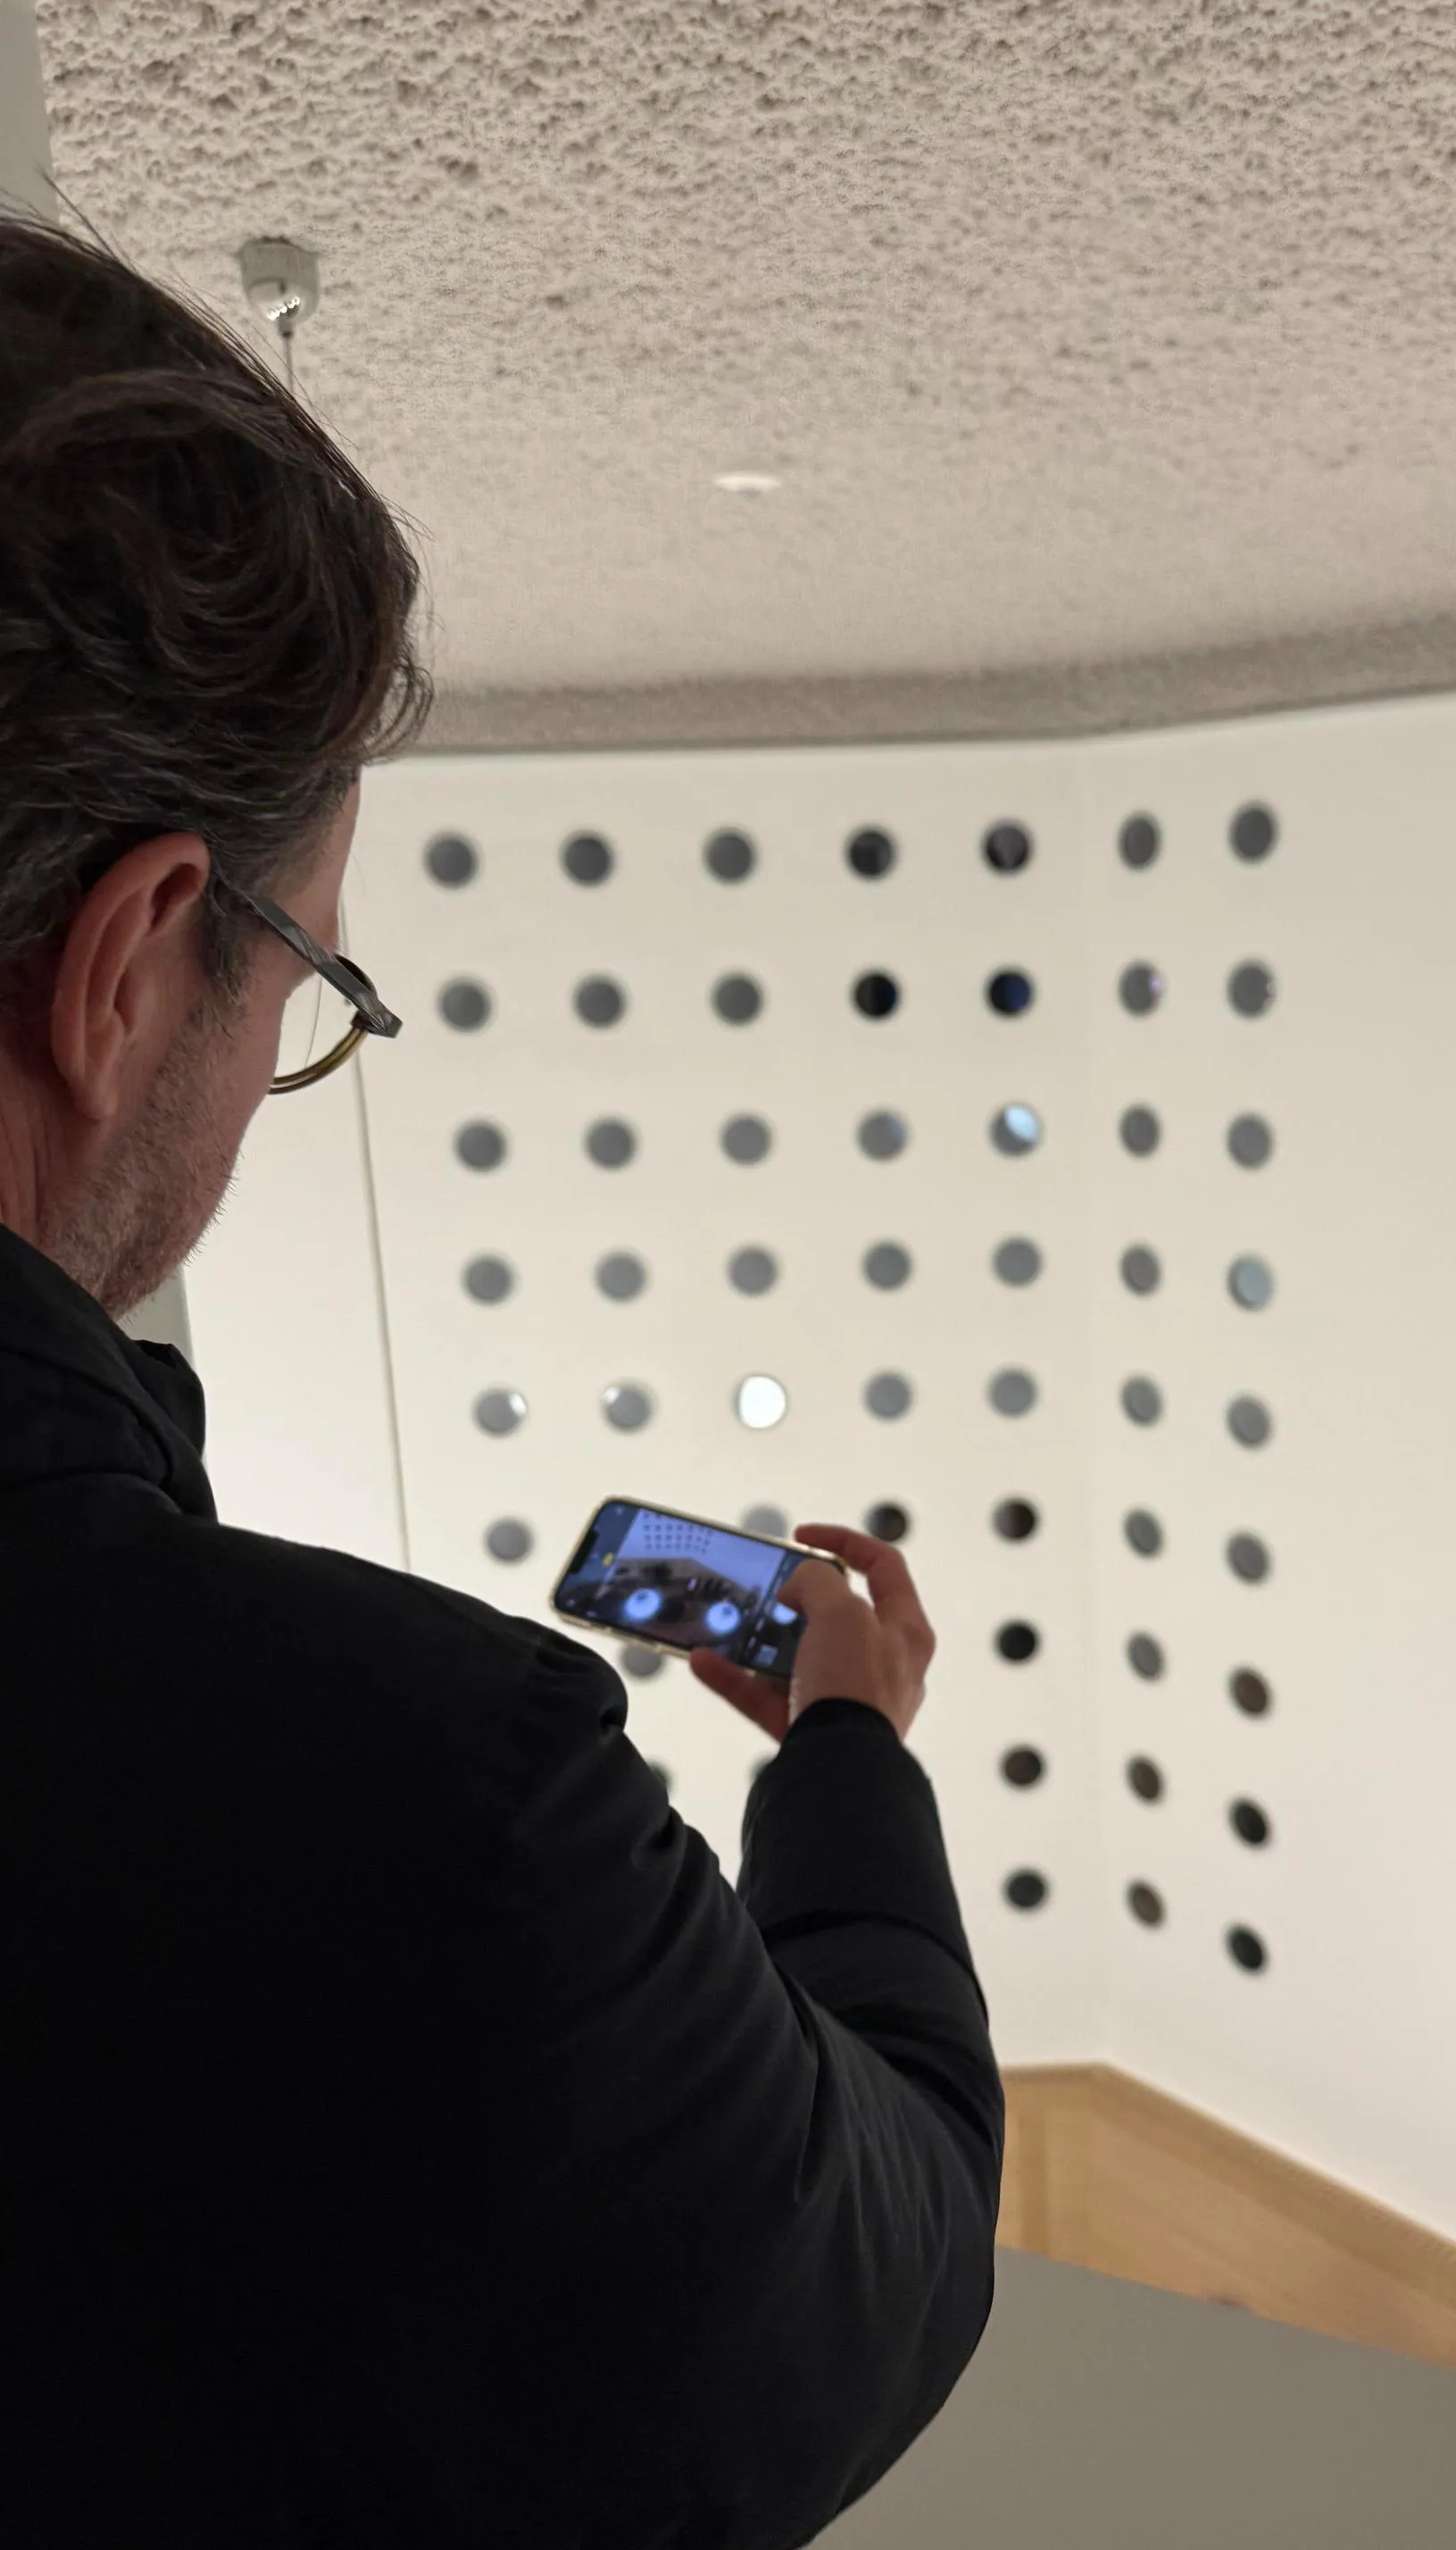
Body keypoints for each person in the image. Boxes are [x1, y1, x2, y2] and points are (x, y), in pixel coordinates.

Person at [0, 208, 1003, 2547]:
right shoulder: (417, 1803)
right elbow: (883, 2254)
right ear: (136, 960)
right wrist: (850, 1753)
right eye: (300, 977)